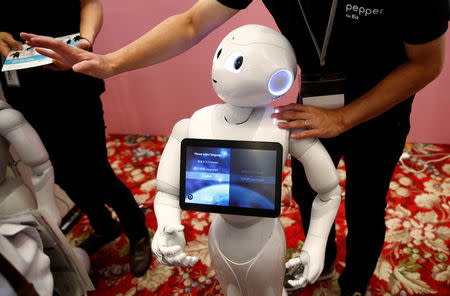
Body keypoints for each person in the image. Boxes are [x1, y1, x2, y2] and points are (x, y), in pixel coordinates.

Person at [20, 0, 448, 294]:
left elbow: (427, 63)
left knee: (366, 204)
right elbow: (191, 23)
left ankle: (353, 283)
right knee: (302, 192)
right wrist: (109, 64)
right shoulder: (200, 123)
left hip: (379, 110)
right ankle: (322, 261)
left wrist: (344, 119)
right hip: (313, 103)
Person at [0, 0, 152, 278]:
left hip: (73, 82)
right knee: (59, 174)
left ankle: (137, 230)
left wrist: (85, 41)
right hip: (24, 90)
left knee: (96, 171)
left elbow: (90, 3)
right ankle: (103, 225)